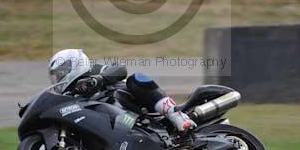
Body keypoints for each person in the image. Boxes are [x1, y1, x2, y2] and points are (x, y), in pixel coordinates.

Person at [48, 48, 196, 133]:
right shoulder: (71, 95)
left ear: (72, 65)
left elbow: (120, 69)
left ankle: (178, 116)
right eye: (57, 76)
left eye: (60, 74)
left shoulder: (93, 70)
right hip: (121, 125)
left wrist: (99, 79)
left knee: (136, 79)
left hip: (139, 107)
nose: (59, 79)